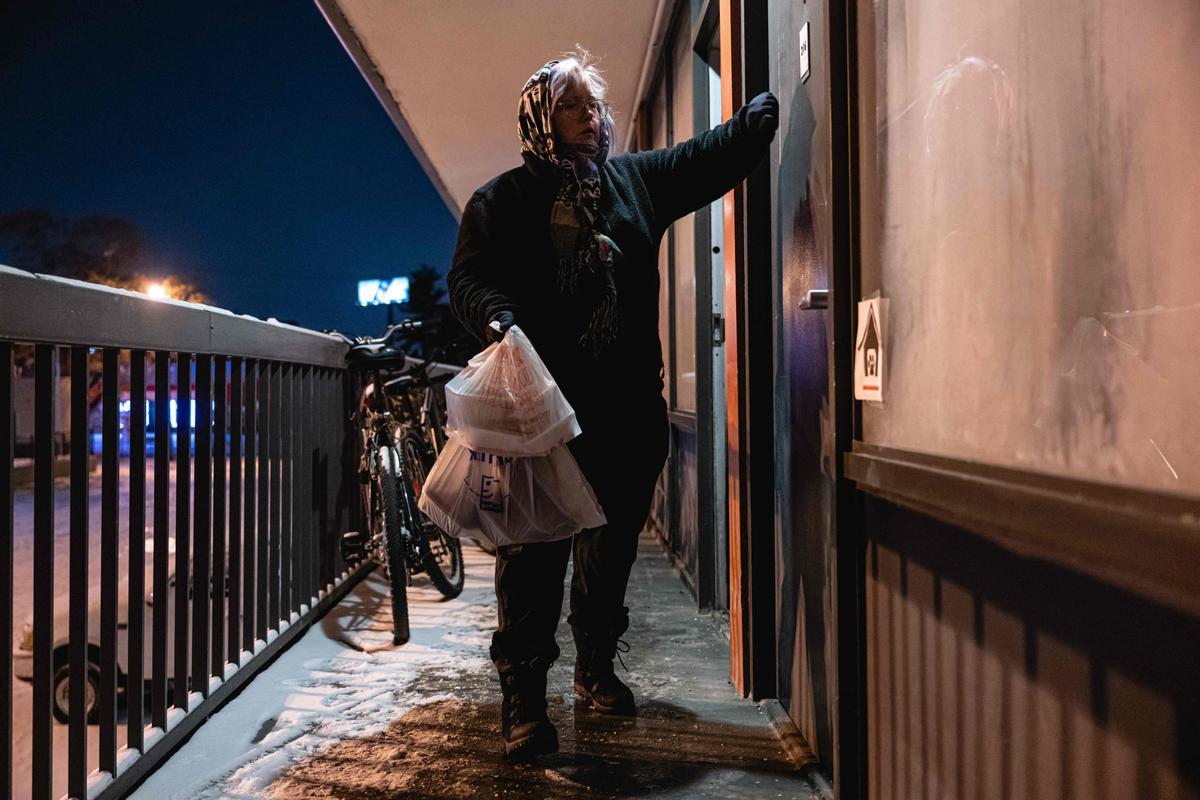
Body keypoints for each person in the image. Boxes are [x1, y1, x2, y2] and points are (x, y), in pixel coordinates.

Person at [448, 49, 777, 758]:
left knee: (610, 552)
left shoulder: (634, 185)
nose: (592, 117)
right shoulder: (499, 202)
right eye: (573, 105)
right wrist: (499, 315)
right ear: (541, 118)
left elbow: (701, 159)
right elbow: (468, 280)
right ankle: (525, 703)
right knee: (531, 560)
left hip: (627, 414)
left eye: (595, 105)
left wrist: (755, 120)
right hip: (538, 418)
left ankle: (596, 663)